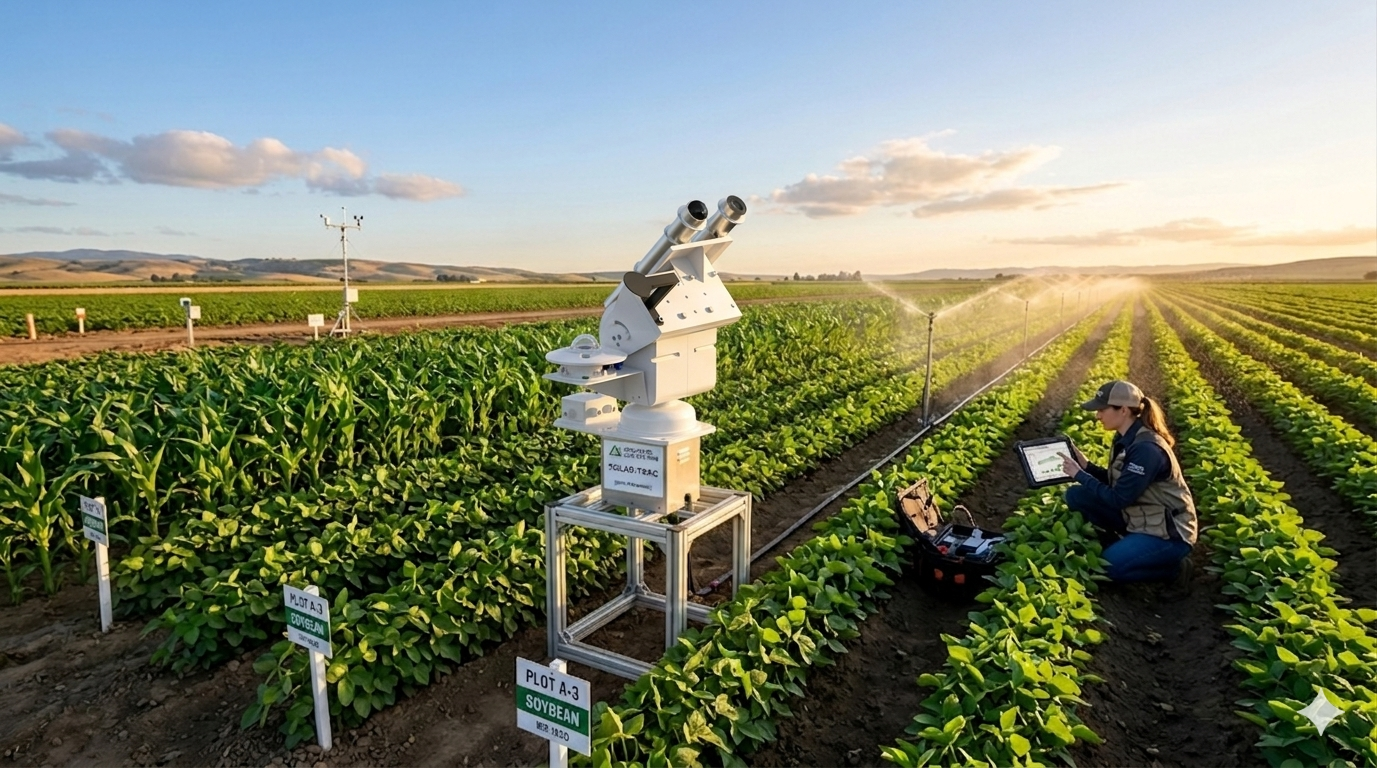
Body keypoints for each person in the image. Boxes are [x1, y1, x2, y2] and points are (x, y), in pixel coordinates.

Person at [1058, 380, 1197, 586]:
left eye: (1102, 410)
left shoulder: (1146, 449)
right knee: (1076, 496)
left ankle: (1175, 569)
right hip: (1140, 516)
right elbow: (1120, 483)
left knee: (1105, 568)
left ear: (1123, 410)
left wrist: (1080, 475)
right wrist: (1087, 467)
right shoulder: (1126, 437)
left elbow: (1118, 498)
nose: (1097, 416)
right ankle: (1126, 546)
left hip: (1168, 533)